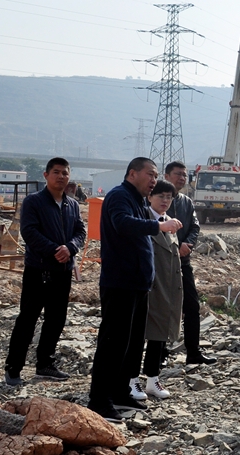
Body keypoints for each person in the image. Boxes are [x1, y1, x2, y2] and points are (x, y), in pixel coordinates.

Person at [87, 157, 182, 422]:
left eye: (156, 175)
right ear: (132, 174)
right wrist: (158, 225)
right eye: (150, 174)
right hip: (120, 283)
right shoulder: (119, 196)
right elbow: (123, 223)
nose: (154, 180)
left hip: (138, 284)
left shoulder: (138, 200)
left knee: (131, 343)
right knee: (113, 343)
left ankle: (120, 392)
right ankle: (99, 400)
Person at [4, 157, 86, 386]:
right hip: (38, 269)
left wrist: (70, 248)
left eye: (65, 173)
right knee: (28, 319)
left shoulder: (72, 205)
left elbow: (80, 231)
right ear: (46, 175)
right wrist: (54, 250)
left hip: (63, 271)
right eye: (56, 172)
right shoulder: (34, 202)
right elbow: (29, 232)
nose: (61, 176)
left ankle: (45, 364)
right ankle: (13, 368)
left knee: (56, 319)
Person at [129, 180, 183, 400]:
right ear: (149, 197)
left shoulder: (170, 222)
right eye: (161, 196)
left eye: (169, 197)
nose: (165, 201)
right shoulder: (143, 220)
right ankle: (132, 379)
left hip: (167, 288)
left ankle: (152, 378)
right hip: (147, 286)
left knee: (160, 334)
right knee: (137, 335)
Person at [164, 161, 216, 365]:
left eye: (184, 175)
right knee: (164, 307)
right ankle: (159, 354)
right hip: (162, 263)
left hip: (183, 261)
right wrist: (175, 245)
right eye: (178, 174)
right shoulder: (157, 199)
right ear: (166, 176)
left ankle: (193, 352)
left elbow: (195, 226)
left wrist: (188, 244)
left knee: (192, 306)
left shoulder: (186, 202)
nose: (182, 178)